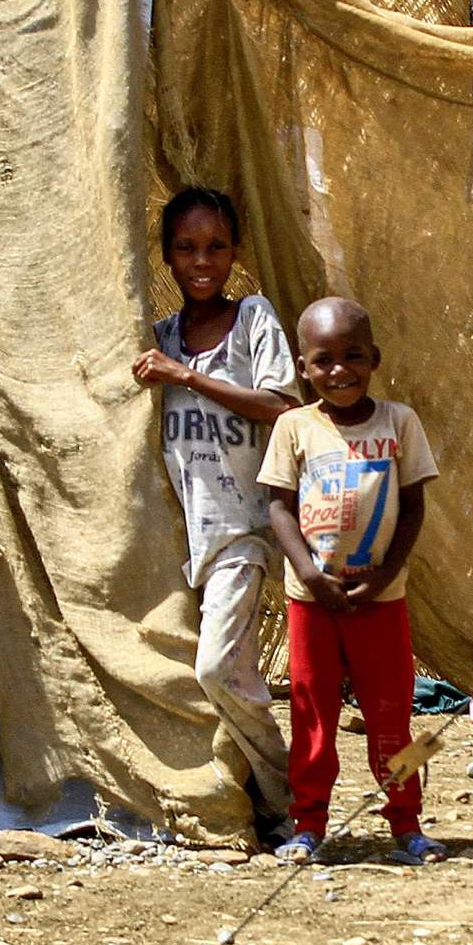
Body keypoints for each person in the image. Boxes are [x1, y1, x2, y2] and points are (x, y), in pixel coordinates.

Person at [131, 186, 298, 845]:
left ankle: (290, 799)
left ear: (235, 252)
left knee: (217, 670)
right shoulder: (159, 337)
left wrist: (188, 377)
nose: (202, 262)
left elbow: (282, 407)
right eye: (187, 248)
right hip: (183, 538)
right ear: (167, 256)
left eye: (216, 247)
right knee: (224, 676)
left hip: (243, 530)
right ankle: (243, 798)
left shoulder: (252, 320)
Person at [258, 295, 445, 866]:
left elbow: (413, 507)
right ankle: (308, 824)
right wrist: (308, 573)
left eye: (353, 356)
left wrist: (385, 574)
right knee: (312, 715)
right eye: (324, 360)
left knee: (393, 717)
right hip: (312, 601)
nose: (339, 370)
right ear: (303, 367)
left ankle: (407, 822)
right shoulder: (294, 426)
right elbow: (279, 507)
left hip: (380, 599)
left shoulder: (399, 422)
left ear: (374, 359)